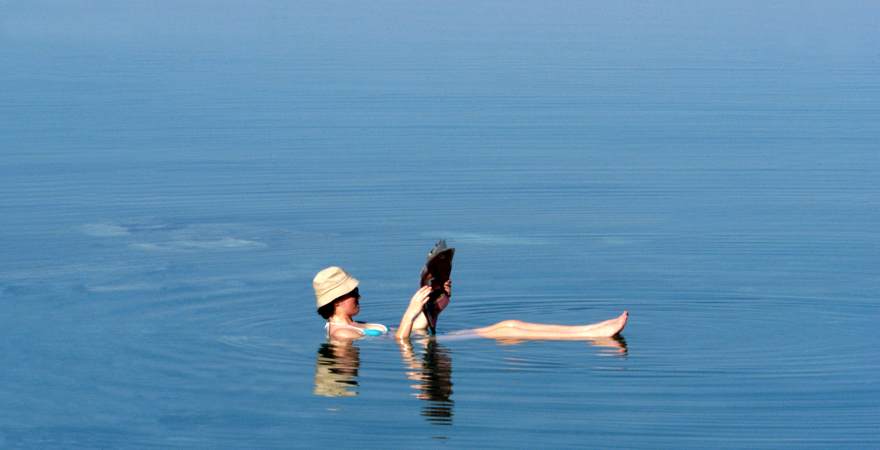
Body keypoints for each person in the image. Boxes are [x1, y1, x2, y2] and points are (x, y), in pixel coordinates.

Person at [313, 266, 628, 341]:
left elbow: (405, 333)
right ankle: (590, 333)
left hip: (421, 342)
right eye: (353, 293)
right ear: (338, 301)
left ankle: (591, 330)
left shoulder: (353, 324)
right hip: (417, 350)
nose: (359, 296)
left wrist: (433, 300)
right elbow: (399, 342)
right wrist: (410, 311)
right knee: (508, 328)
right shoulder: (340, 333)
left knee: (508, 326)